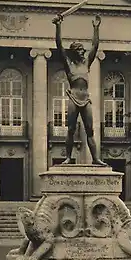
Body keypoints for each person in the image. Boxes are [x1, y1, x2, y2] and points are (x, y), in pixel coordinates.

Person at [52, 13, 107, 166]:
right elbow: (59, 45)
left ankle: (95, 159)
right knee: (70, 129)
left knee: (90, 131)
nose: (83, 51)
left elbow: (95, 46)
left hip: (85, 98)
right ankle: (69, 158)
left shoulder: (86, 63)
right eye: (80, 49)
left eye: (83, 49)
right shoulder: (69, 64)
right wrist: (58, 26)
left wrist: (96, 29)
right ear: (74, 51)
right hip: (73, 97)